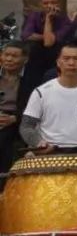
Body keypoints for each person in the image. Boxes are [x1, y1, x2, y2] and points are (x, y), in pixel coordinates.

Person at [20, 0, 76, 90]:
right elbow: (26, 35)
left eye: (53, 2)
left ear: (58, 4)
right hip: (36, 61)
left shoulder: (65, 21)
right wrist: (46, 35)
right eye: (46, 3)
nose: (49, 5)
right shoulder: (34, 16)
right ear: (41, 4)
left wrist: (48, 20)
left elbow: (48, 43)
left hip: (55, 60)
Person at [0, 41, 33, 183]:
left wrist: (15, 118)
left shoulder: (32, 79)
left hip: (16, 122)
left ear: (25, 59)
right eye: (6, 55)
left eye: (14, 56)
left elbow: (34, 108)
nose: (9, 59)